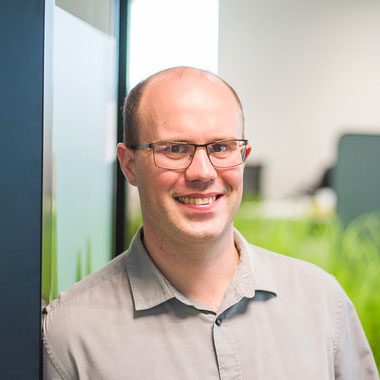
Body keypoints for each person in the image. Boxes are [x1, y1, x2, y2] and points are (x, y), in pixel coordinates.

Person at [42, 66, 378, 380]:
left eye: (221, 147)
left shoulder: (321, 302)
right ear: (129, 165)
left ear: (243, 159)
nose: (202, 172)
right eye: (175, 148)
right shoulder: (70, 335)